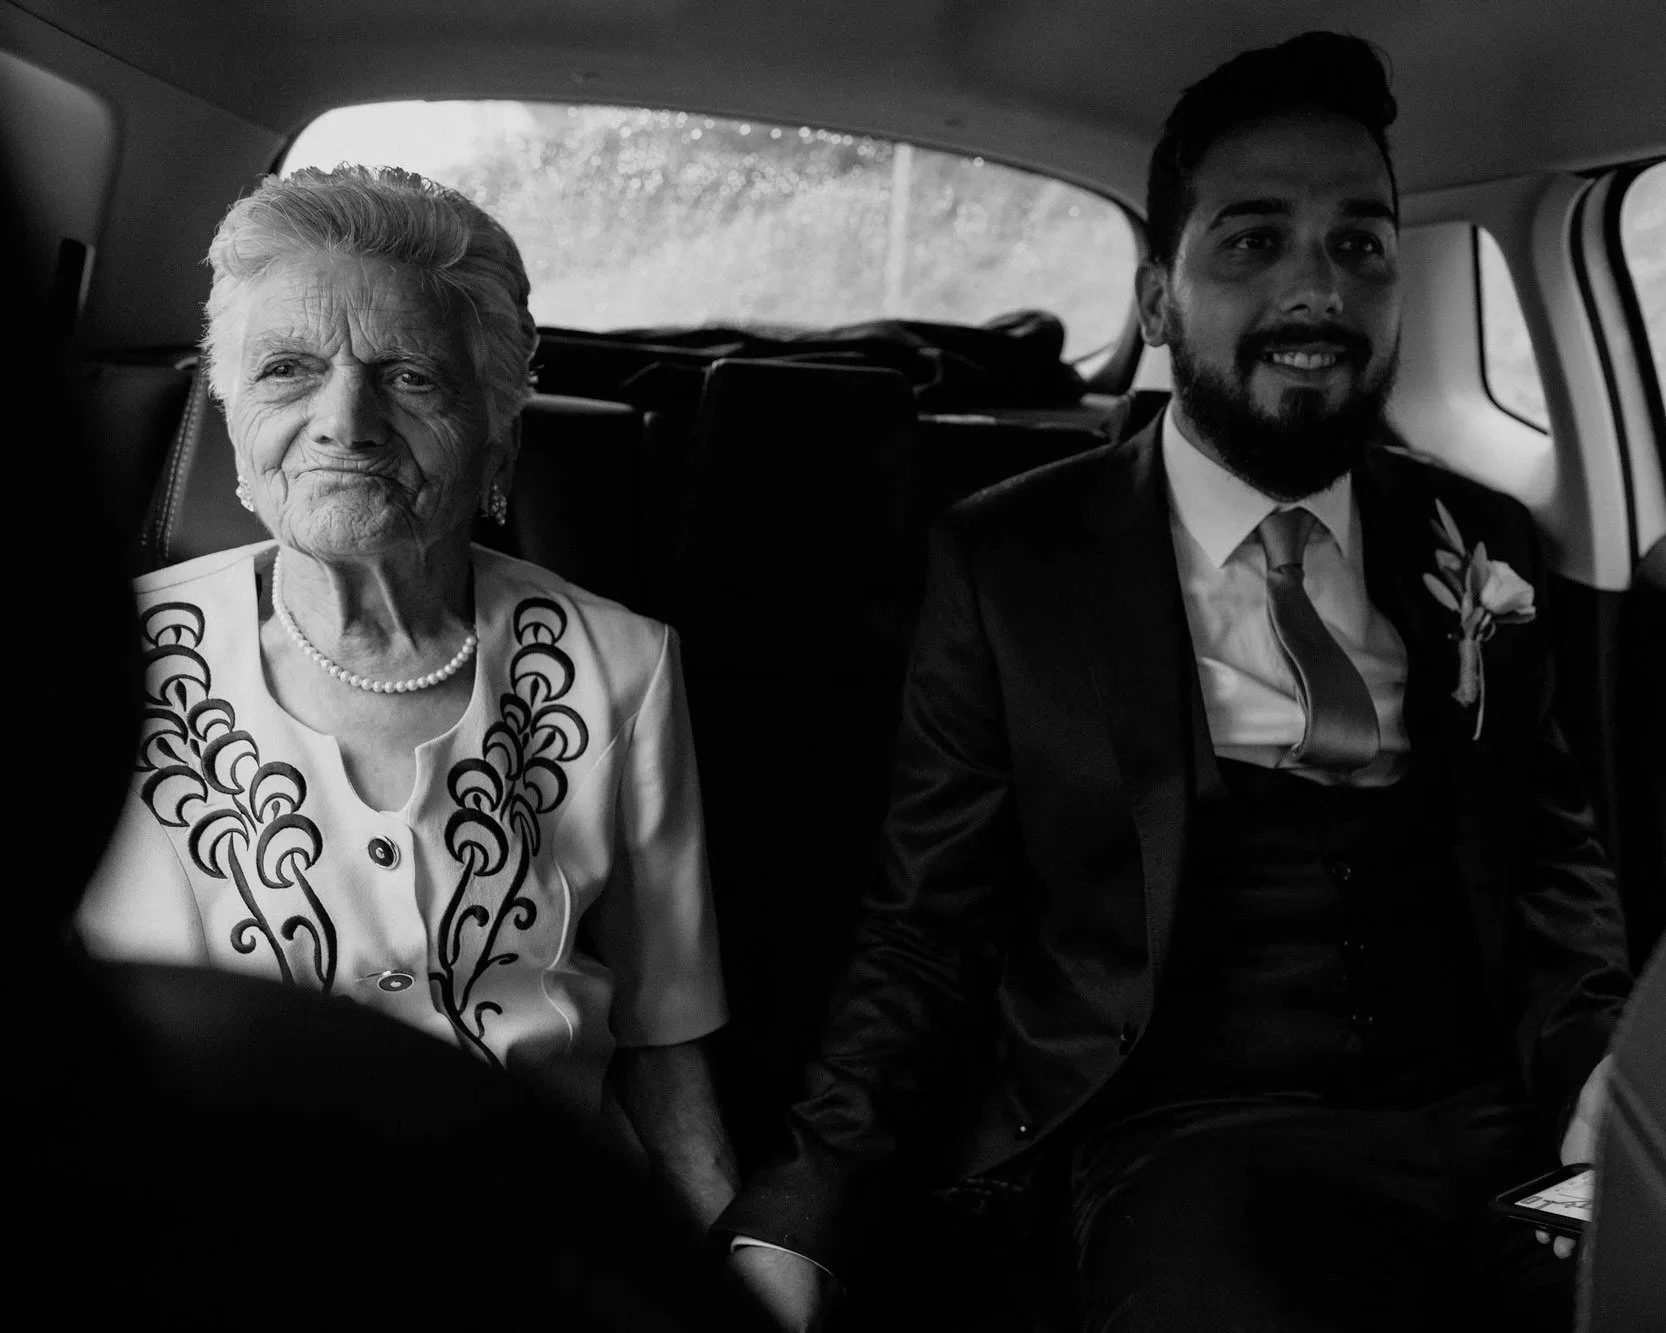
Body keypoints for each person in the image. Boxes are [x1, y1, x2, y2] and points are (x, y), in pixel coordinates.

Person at [719, 32, 1632, 1332]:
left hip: (1488, 1121)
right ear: (1154, 298)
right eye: (1253, 242)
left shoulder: (1478, 538)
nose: (1316, 290)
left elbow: (1549, 856)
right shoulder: (1011, 561)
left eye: (1358, 243)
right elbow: (926, 927)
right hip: (1177, 1136)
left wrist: (1603, 1066)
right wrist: (802, 1206)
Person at [77, 165, 738, 1230]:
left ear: (499, 440)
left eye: (412, 378)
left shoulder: (623, 666)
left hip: (533, 1242)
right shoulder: (101, 655)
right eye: (288, 370)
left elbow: (668, 1040)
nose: (347, 421)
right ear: (234, 425)